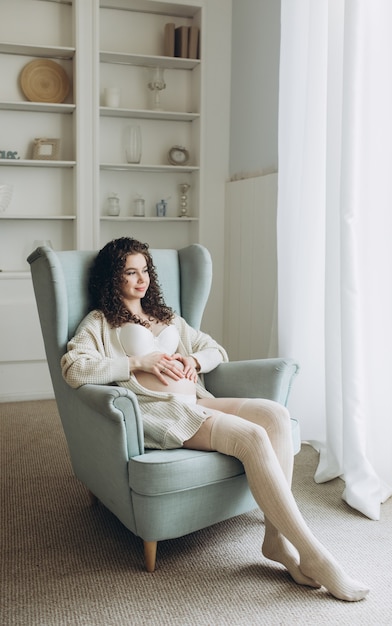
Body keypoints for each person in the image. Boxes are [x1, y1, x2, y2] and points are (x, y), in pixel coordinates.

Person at [61, 237, 369, 602]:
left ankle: (276, 540)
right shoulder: (100, 322)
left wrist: (193, 362)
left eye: (145, 270)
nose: (141, 279)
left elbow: (214, 349)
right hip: (159, 413)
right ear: (113, 278)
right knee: (252, 437)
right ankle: (317, 557)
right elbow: (74, 368)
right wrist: (135, 362)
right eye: (130, 272)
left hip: (197, 401)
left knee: (275, 415)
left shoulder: (167, 317)